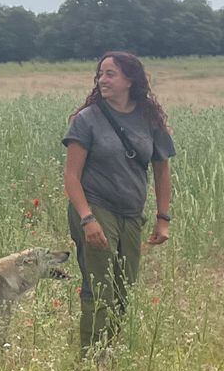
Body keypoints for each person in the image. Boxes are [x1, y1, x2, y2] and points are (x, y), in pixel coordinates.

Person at [62, 50, 174, 351]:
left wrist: (163, 218)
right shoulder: (86, 120)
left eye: (110, 74)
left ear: (130, 80)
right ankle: (91, 358)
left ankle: (109, 350)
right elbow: (71, 176)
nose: (102, 80)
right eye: (100, 74)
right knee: (100, 286)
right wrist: (87, 219)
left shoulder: (149, 119)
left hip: (132, 213)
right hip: (95, 208)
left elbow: (162, 170)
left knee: (125, 288)